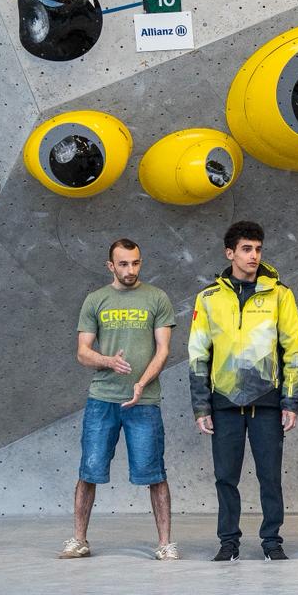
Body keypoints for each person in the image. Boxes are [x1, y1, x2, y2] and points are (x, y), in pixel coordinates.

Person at [188, 221, 298, 562]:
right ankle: (228, 543)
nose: (254, 255)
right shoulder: (208, 298)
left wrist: (291, 401)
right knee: (225, 478)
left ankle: (272, 542)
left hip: (267, 401)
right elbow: (197, 354)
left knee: (270, 477)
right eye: (246, 249)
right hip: (224, 402)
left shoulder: (280, 294)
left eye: (258, 249)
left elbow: (294, 351)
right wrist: (201, 406)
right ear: (230, 253)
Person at [63, 237, 176, 560]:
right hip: (102, 399)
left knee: (154, 473)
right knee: (89, 469)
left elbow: (163, 350)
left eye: (135, 262)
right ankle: (79, 540)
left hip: (144, 401)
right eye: (123, 264)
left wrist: (141, 383)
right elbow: (82, 352)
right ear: (110, 266)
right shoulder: (96, 300)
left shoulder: (157, 298)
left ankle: (165, 543)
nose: (130, 270)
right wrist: (108, 361)